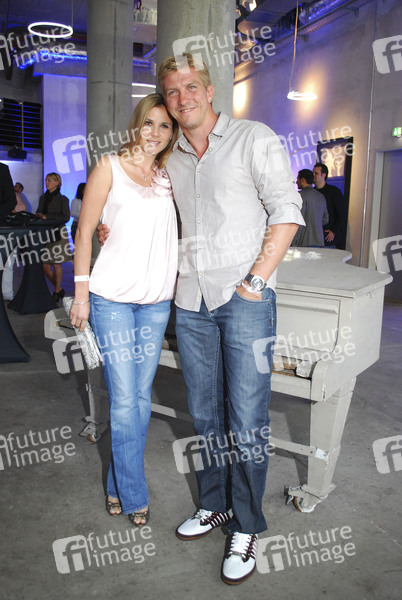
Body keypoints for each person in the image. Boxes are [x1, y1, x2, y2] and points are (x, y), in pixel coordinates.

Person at [99, 54, 304, 584]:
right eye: (172, 91)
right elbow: (139, 204)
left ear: (210, 91)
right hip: (190, 303)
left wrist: (255, 281)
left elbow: (287, 212)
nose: (182, 98)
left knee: (248, 417)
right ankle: (214, 503)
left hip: (245, 300)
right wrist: (107, 228)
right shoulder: (171, 158)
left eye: (191, 87)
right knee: (206, 416)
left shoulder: (254, 138)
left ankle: (247, 525)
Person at [69, 93, 179, 527]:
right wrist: (81, 294)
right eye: (149, 123)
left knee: (140, 400)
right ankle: (135, 495)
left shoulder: (168, 177)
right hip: (111, 298)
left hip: (155, 304)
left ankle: (116, 485)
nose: (156, 133)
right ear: (137, 123)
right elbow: (84, 233)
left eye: (165, 126)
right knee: (125, 400)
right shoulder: (108, 167)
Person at [36, 173, 71, 301]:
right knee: (45, 266)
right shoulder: (43, 198)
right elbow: (39, 211)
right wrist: (39, 216)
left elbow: (65, 217)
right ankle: (59, 288)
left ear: (57, 182)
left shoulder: (63, 199)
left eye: (49, 180)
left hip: (58, 233)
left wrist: (47, 217)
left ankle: (56, 291)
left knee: (56, 263)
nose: (47, 183)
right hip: (45, 232)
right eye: (46, 180)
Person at [313, 162, 348, 249]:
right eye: (313, 173)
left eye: (316, 173)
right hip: (314, 237)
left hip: (328, 237)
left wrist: (334, 230)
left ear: (323, 175)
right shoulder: (312, 193)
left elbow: (342, 213)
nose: (313, 175)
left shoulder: (333, 192)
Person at [292, 168, 328, 247]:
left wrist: (293, 243)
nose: (296, 182)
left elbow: (298, 222)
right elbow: (325, 219)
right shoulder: (321, 196)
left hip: (303, 243)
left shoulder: (299, 196)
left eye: (298, 179)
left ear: (303, 180)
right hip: (319, 242)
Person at [0, 162, 17, 301]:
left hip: (2, 226)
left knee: (6, 263)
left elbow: (11, 199)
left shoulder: (2, 169)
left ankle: (7, 293)